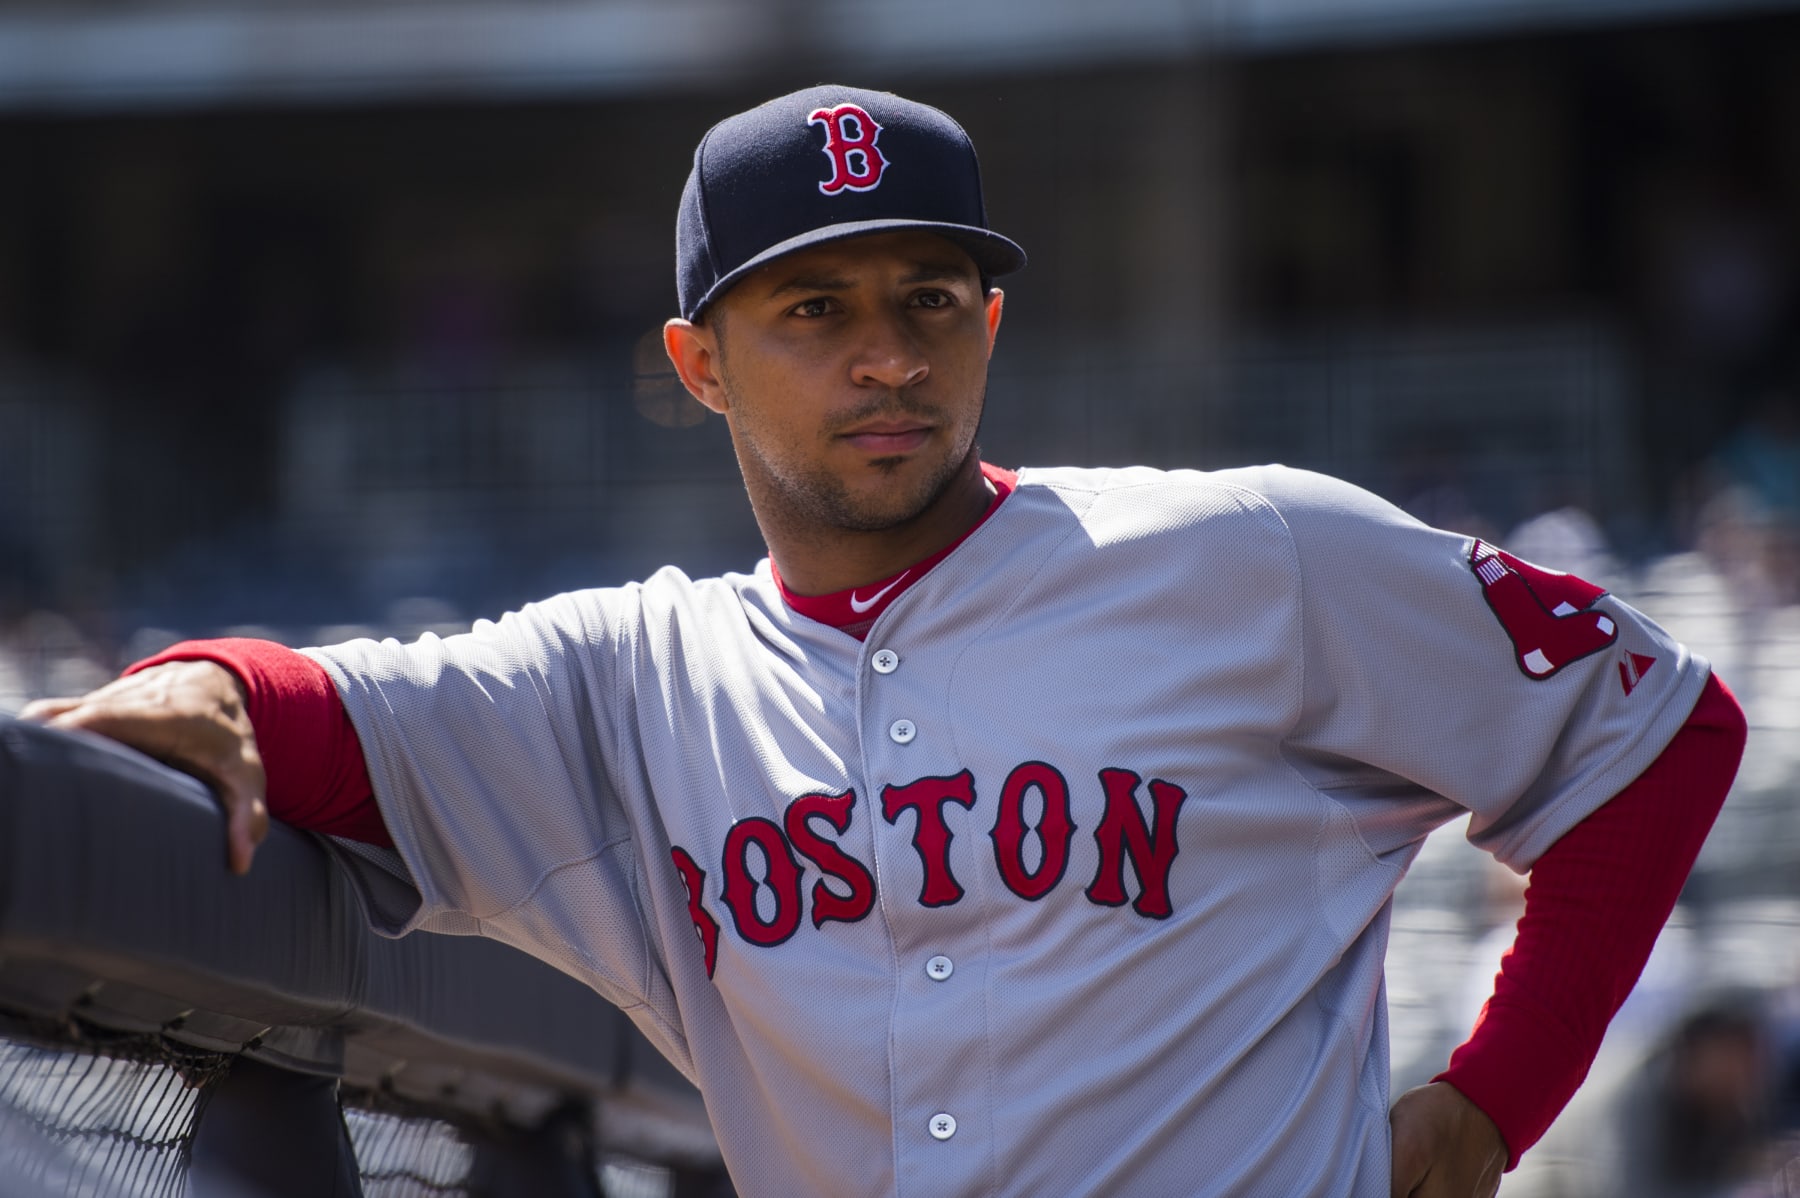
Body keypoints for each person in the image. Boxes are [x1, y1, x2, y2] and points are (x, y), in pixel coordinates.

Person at [23, 85, 1747, 1198]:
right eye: (815, 308)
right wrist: (207, 692)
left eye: (930, 299)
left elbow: (1658, 733)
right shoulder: (629, 683)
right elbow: (326, 712)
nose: (887, 355)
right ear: (700, 363)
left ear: (989, 324)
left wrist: (1492, 1097)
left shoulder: (1248, 552)